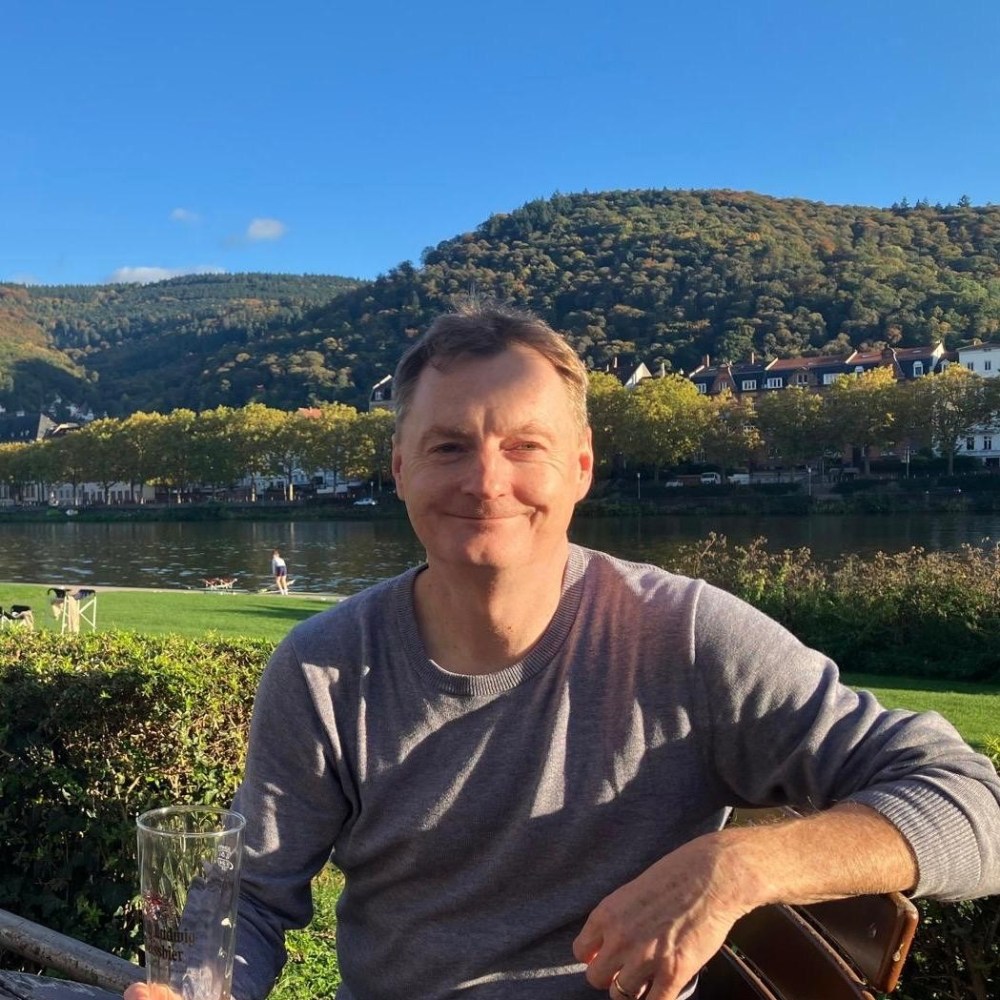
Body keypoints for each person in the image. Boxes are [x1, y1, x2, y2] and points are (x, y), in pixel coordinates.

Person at [126, 304, 1000, 1000]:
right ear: (399, 470)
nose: (485, 480)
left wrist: (740, 863)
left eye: (524, 446)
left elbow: (975, 805)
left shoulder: (686, 639)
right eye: (448, 447)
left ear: (581, 467)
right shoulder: (323, 669)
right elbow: (255, 900)